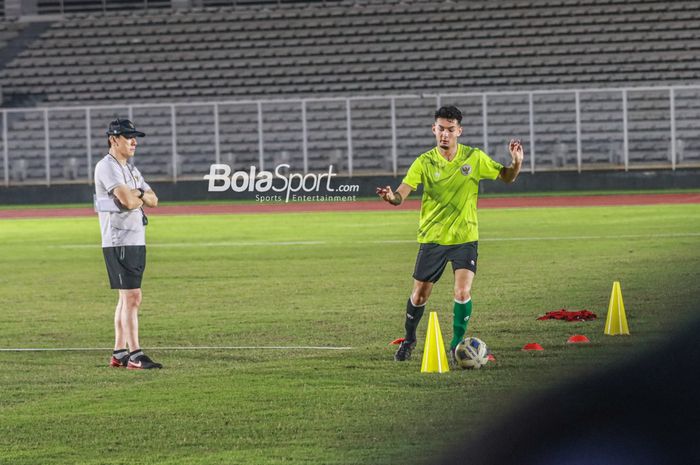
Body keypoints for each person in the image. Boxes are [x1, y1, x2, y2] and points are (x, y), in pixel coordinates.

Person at [377, 105, 523, 362]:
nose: (445, 134)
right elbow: (402, 192)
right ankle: (409, 340)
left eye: (450, 130)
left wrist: (517, 162)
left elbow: (507, 177)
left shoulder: (474, 157)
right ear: (434, 130)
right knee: (419, 294)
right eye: (441, 129)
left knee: (462, 292)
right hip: (432, 237)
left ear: (459, 131)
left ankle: (456, 347)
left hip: (465, 237)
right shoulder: (424, 162)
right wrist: (392, 197)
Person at [94, 118, 162, 370]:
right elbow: (127, 200)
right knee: (133, 297)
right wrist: (137, 196)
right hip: (119, 240)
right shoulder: (107, 167)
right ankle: (135, 354)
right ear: (113, 139)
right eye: (128, 136)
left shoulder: (131, 169)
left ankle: (120, 352)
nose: (134, 141)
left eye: (135, 137)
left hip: (133, 238)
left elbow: (153, 200)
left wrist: (138, 195)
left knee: (126, 298)